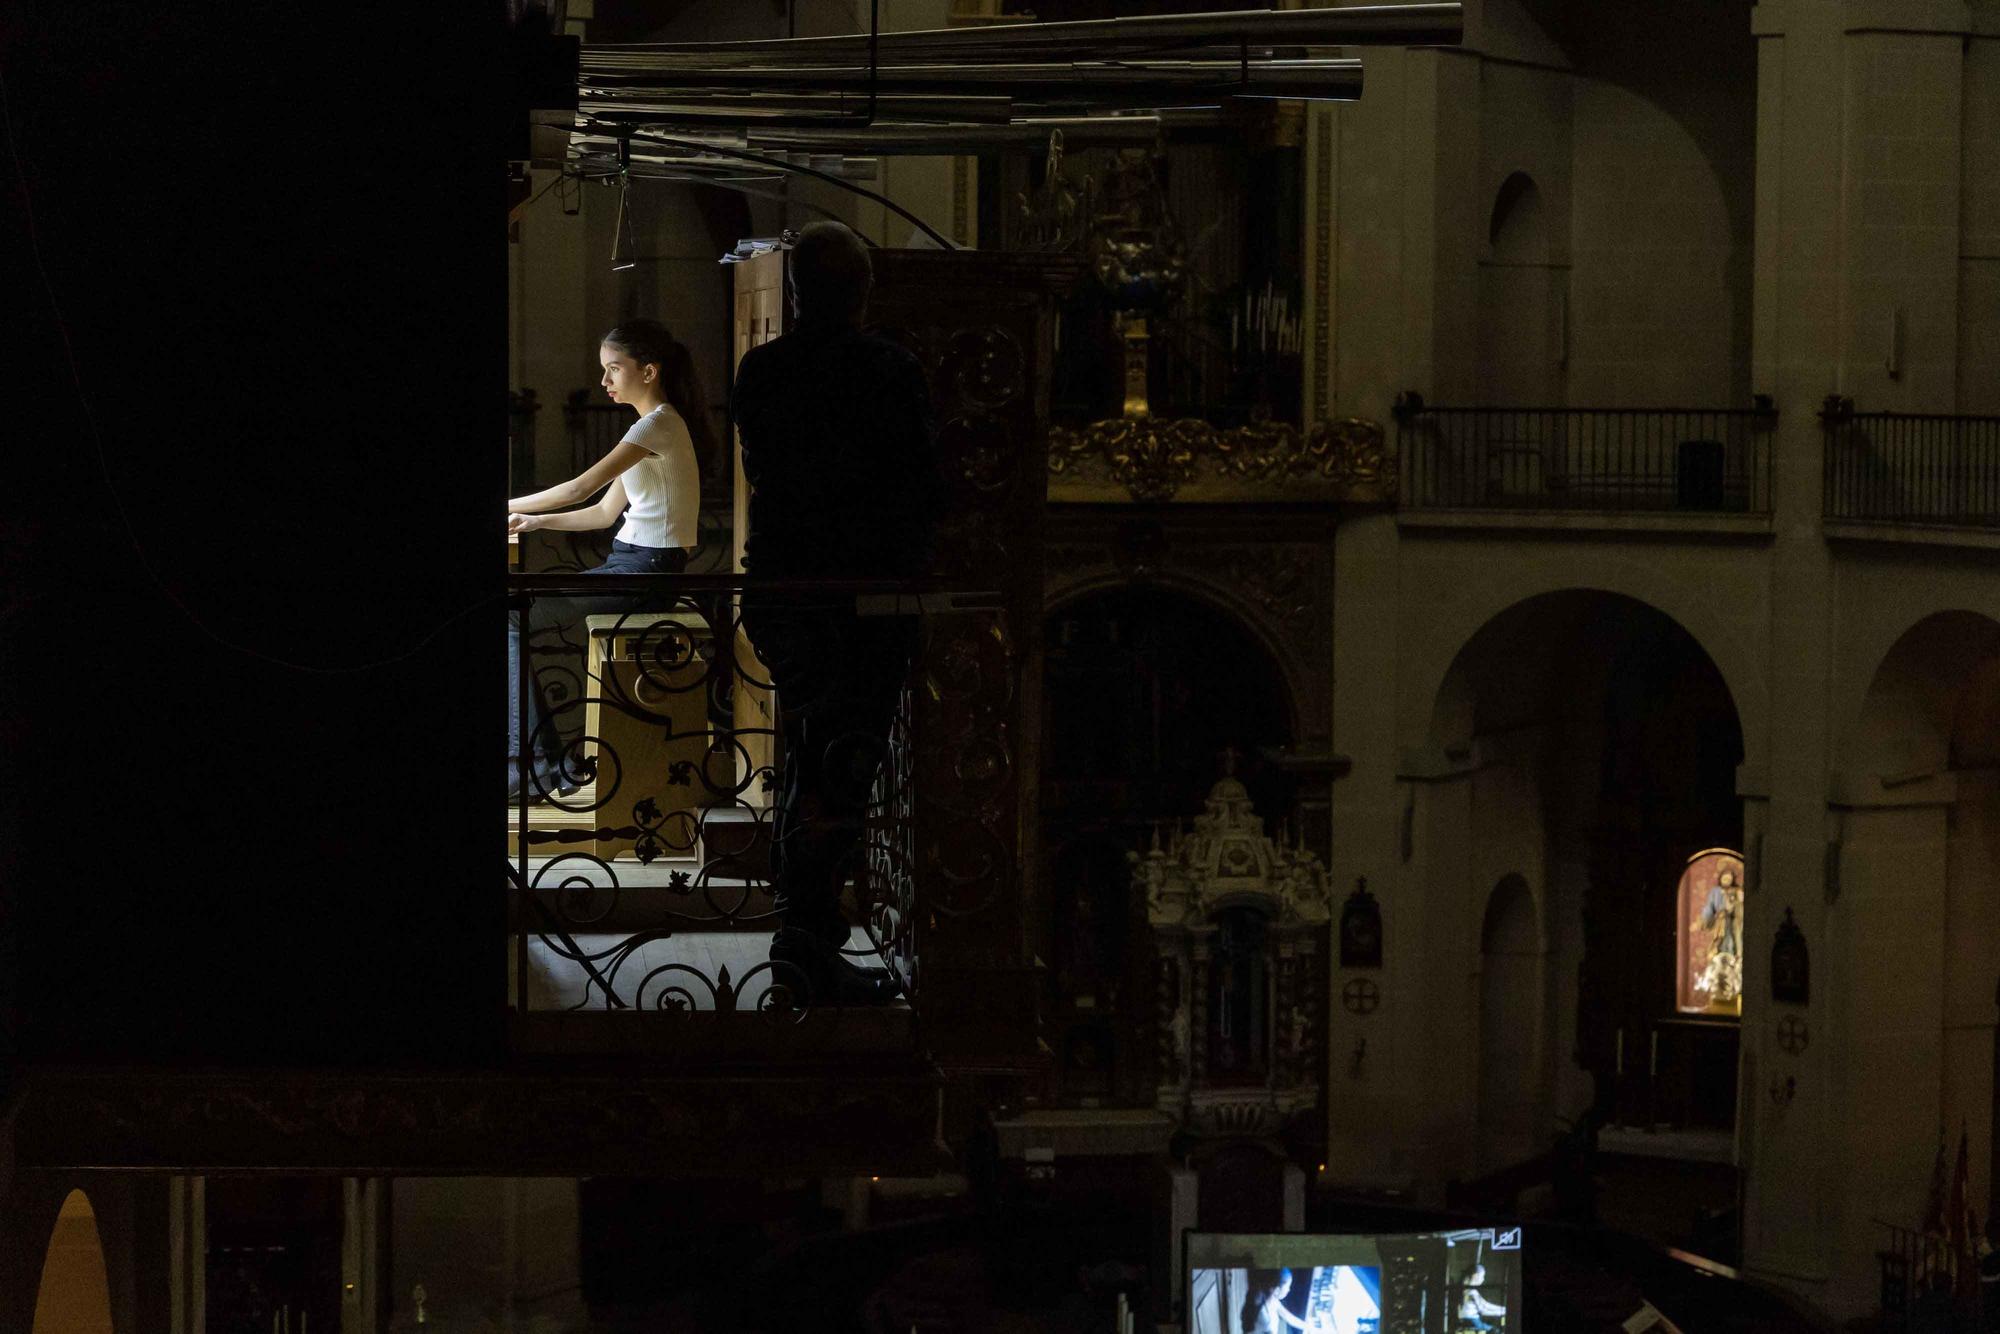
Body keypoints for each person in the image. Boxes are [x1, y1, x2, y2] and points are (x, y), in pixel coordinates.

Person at [733, 220, 938, 1004]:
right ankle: (809, 946)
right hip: (864, 598)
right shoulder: (889, 370)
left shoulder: (762, 370)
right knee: (842, 771)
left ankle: (804, 938)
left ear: (792, 294)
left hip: (783, 590)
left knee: (810, 762)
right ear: (862, 293)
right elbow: (920, 480)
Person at [506, 319, 710, 801]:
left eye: (614, 369)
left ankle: (533, 765)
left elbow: (580, 488)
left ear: (649, 371)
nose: (605, 382)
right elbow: (601, 514)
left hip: (647, 571)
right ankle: (544, 763)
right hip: (633, 564)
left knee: (510, 618)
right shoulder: (653, 425)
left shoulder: (657, 424)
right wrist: (536, 524)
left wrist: (510, 506)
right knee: (512, 614)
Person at [1457, 1263, 1507, 1331]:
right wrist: (1501, 1311)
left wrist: (1502, 1309)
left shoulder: (1467, 1289)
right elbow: (1483, 1310)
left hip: (1467, 1321)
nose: (1483, 1279)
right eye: (1482, 1276)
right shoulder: (1471, 1291)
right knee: (1496, 1331)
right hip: (1472, 1321)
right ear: (1475, 1276)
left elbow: (1485, 1304)